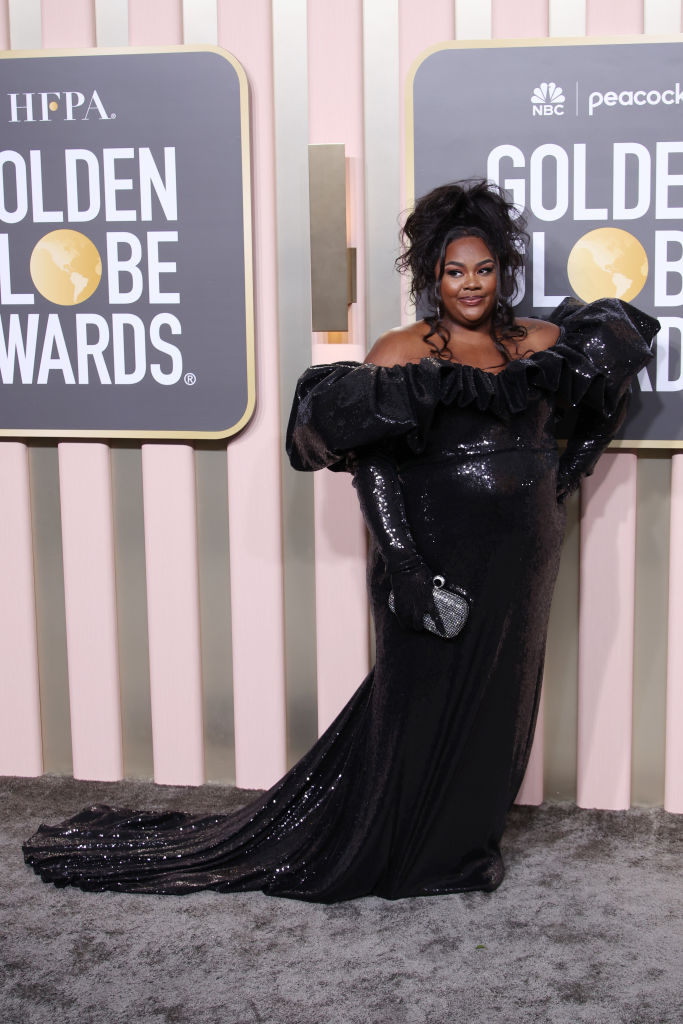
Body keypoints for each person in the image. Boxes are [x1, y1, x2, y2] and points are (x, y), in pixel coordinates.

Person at [23, 180, 657, 901]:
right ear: (432, 275)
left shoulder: (542, 342)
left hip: (524, 556)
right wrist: (407, 570)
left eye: (483, 269)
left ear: (501, 271)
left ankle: (465, 848)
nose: (470, 284)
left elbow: (609, 397)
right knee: (418, 703)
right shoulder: (399, 351)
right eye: (454, 271)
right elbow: (372, 466)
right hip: (434, 554)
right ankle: (408, 852)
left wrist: (558, 481)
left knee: (501, 703)